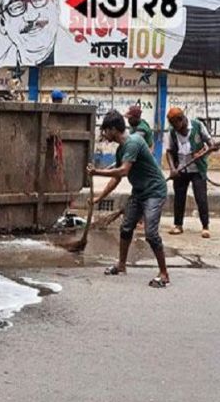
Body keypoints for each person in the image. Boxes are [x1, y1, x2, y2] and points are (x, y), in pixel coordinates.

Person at [88, 110, 170, 288]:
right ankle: (121, 265)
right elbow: (116, 178)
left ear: (114, 129)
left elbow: (123, 171)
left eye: (106, 130)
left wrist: (97, 172)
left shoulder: (133, 142)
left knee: (151, 234)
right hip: (139, 192)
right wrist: (99, 198)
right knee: (126, 228)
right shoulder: (121, 149)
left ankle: (164, 274)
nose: (104, 134)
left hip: (154, 191)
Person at [164, 107, 215, 238]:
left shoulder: (198, 126)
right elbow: (169, 152)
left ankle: (205, 227)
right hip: (180, 169)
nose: (174, 127)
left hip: (198, 169)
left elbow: (211, 144)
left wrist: (205, 152)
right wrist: (172, 169)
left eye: (175, 123)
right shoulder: (172, 132)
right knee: (179, 198)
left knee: (201, 198)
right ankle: (178, 225)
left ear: (181, 119)